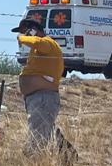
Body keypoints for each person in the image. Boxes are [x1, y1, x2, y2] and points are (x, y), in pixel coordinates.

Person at [13, 13, 72, 157]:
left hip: (43, 98)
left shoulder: (48, 44)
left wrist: (22, 38)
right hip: (39, 99)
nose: (22, 35)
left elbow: (38, 43)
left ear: (32, 30)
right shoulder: (38, 52)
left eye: (24, 31)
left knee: (37, 141)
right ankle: (68, 156)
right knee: (45, 131)